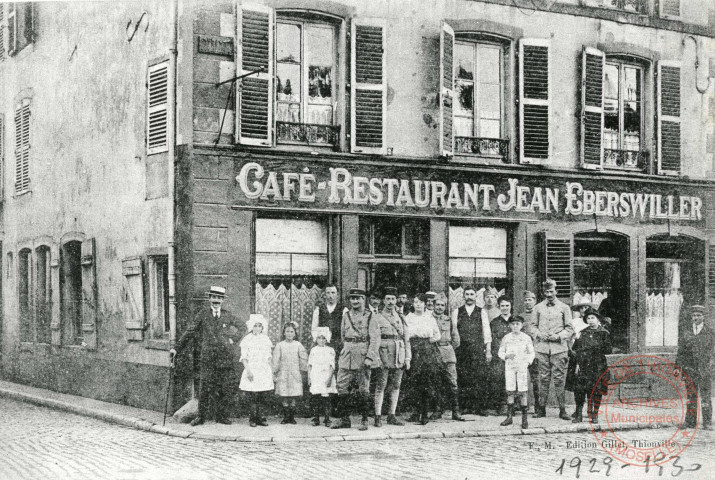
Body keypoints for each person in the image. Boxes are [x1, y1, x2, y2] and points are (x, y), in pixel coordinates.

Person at [170, 286, 244, 426]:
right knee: (204, 388)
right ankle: (201, 417)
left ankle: (221, 416)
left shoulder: (227, 315)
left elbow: (242, 327)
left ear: (222, 300)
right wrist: (176, 348)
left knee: (223, 387)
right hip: (208, 357)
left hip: (224, 357)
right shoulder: (203, 314)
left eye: (219, 298)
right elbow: (190, 331)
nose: (216, 301)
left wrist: (233, 339)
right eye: (214, 297)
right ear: (210, 298)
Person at [331, 288, 380, 431]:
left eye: (358, 298)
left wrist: (370, 356)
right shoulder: (346, 315)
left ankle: (364, 419)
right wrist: (347, 348)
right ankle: (344, 419)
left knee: (363, 388)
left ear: (363, 299)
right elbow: (342, 335)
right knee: (341, 386)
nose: (355, 301)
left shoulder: (370, 316)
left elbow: (375, 338)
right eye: (352, 298)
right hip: (347, 354)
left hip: (362, 354)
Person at [532, 278, 574, 420]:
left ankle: (562, 410)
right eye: (546, 291)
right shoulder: (537, 308)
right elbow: (532, 326)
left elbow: (570, 329)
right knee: (543, 379)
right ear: (543, 292)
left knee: (559, 380)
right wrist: (540, 334)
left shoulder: (564, 308)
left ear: (556, 291)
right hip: (542, 349)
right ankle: (541, 409)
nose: (549, 294)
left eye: (551, 291)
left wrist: (558, 336)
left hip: (558, 349)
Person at [372, 286, 411, 427]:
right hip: (384, 354)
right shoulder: (377, 317)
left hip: (399, 354)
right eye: (387, 299)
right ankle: (377, 416)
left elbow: (406, 339)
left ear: (396, 300)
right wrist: (376, 358)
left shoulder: (401, 317)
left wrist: (407, 358)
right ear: (383, 300)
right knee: (381, 385)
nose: (390, 302)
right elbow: (374, 339)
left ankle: (391, 415)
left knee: (396, 385)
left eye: (393, 299)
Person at [565, 308, 612, 424]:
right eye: (588, 318)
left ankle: (594, 415)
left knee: (596, 390)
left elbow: (608, 349)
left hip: (597, 366)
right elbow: (575, 349)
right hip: (583, 366)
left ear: (597, 319)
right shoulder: (583, 333)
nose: (590, 321)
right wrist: (573, 352)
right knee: (580, 390)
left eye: (593, 318)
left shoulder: (603, 333)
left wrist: (595, 349)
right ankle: (579, 415)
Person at [404, 293, 444, 425]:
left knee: (426, 382)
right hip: (413, 350)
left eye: (421, 302)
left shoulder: (429, 318)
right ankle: (416, 413)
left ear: (425, 304)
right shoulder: (408, 318)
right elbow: (406, 337)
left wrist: (426, 342)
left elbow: (437, 335)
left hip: (427, 351)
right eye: (415, 302)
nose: (418, 304)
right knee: (415, 382)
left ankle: (425, 414)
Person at [454, 285, 492, 415]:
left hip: (477, 349)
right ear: (463, 296)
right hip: (461, 349)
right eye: (467, 294)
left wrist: (488, 350)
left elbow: (486, 332)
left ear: (476, 296)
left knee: (478, 377)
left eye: (472, 294)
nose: (469, 297)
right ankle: (465, 407)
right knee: (463, 377)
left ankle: (479, 407)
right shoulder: (456, 311)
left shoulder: (482, 312)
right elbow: (453, 331)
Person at [676, 305, 714, 430]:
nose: (696, 318)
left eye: (698, 315)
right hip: (689, 369)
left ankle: (707, 422)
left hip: (705, 370)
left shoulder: (710, 333)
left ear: (703, 317)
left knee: (705, 396)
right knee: (691, 396)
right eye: (694, 315)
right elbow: (680, 351)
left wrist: (711, 367)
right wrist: (678, 367)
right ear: (691, 317)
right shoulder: (686, 332)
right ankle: (690, 422)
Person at [431, 293, 464, 421]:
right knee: (436, 382)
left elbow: (456, 340)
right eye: (437, 304)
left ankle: (455, 411)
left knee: (452, 382)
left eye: (442, 305)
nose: (439, 307)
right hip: (433, 352)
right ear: (433, 305)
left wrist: (447, 348)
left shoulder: (449, 320)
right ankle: (437, 410)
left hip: (448, 353)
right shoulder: (428, 319)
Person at [498, 316, 535, 429]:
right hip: (510, 366)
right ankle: (509, 417)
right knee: (510, 390)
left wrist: (528, 362)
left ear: (521, 325)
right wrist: (505, 356)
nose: (515, 326)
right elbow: (500, 352)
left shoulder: (526, 338)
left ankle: (524, 419)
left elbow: (531, 353)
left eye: (517, 324)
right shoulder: (506, 338)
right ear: (509, 325)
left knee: (523, 391)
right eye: (513, 324)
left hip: (522, 366)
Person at [239, 314, 274, 427]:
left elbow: (268, 356)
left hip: (263, 369)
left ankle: (260, 418)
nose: (257, 328)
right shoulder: (247, 339)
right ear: (251, 327)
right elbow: (244, 357)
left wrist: (270, 370)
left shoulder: (265, 339)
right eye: (255, 326)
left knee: (262, 395)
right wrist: (248, 371)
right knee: (253, 395)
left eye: (260, 326)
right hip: (252, 369)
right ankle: (252, 418)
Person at [272, 322, 308, 424]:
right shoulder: (280, 345)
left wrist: (302, 370)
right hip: (283, 372)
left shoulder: (298, 345)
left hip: (294, 373)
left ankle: (292, 417)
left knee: (293, 395)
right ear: (284, 333)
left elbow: (303, 358)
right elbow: (275, 359)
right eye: (287, 331)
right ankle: (285, 417)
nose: (289, 334)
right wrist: (274, 372)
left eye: (291, 332)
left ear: (295, 334)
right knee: (284, 395)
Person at [308, 327, 338, 427]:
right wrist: (309, 377)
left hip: (326, 376)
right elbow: (310, 364)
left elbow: (332, 365)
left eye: (323, 338)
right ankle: (316, 418)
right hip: (316, 375)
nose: (321, 340)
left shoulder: (330, 350)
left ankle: (327, 418)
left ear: (327, 339)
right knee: (316, 398)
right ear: (316, 339)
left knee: (326, 399)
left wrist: (329, 378)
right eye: (319, 338)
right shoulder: (313, 350)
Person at [517, 290, 541, 414]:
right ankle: (521, 405)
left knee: (536, 379)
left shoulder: (540, 314)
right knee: (520, 378)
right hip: (523, 351)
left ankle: (538, 406)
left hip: (536, 351)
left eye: (530, 300)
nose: (527, 302)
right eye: (525, 300)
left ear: (535, 301)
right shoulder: (520, 316)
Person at [488, 296, 512, 415]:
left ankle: (513, 405)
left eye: (507, 305)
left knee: (513, 380)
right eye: (502, 306)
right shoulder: (494, 322)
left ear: (510, 306)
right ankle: (502, 405)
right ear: (499, 307)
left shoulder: (516, 321)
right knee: (500, 379)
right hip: (499, 356)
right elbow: (492, 339)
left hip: (513, 357)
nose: (505, 308)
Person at [312, 284, 343, 354]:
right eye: (328, 293)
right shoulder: (318, 309)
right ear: (325, 294)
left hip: (338, 344)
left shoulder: (343, 309)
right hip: (323, 344)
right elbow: (314, 328)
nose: (330, 296)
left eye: (333, 293)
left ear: (337, 295)